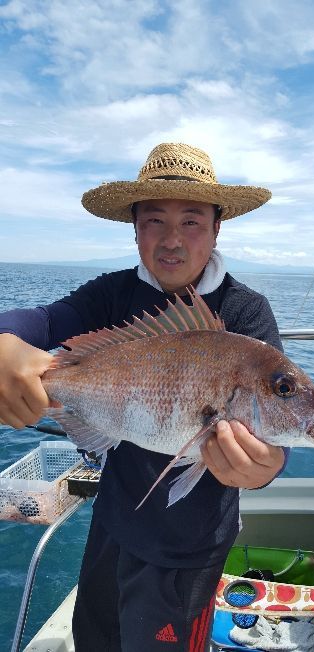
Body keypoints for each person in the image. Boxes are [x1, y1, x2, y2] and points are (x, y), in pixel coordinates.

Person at [0, 142, 287, 651]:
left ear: (217, 228)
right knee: (94, 639)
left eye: (192, 221)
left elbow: (275, 421)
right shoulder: (112, 294)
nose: (172, 241)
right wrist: (4, 343)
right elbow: (42, 322)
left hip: (189, 549)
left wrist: (266, 468)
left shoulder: (246, 312)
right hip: (112, 525)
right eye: (154, 221)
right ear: (134, 228)